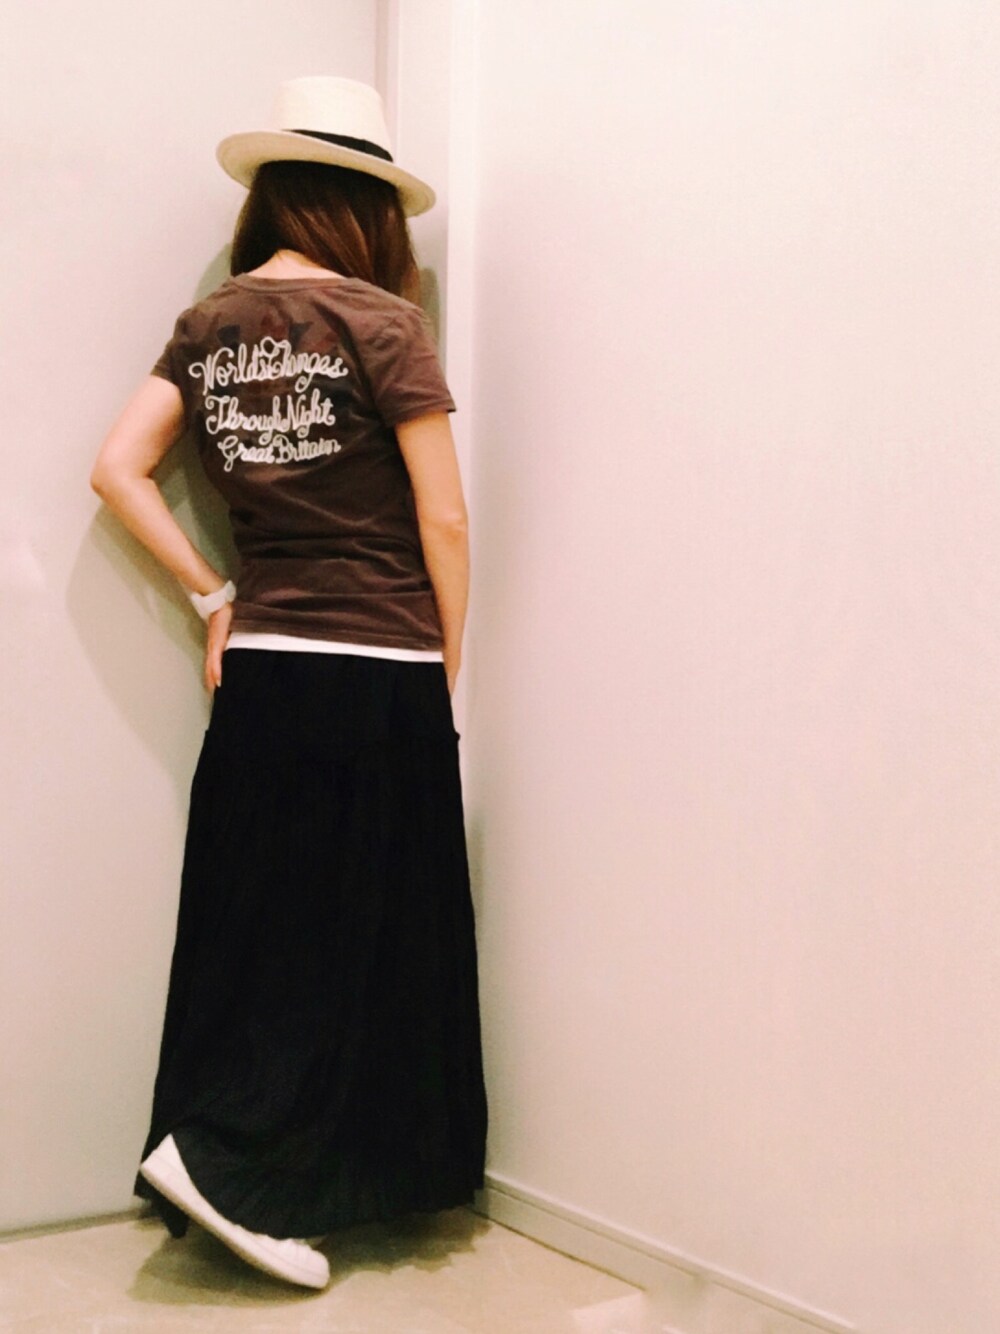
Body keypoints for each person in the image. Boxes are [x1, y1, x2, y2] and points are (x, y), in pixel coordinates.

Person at [90, 76, 488, 1291]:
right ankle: (243, 1168)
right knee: (360, 935)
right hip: (376, 663)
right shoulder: (382, 323)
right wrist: (444, 663)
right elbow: (444, 518)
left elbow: (116, 466)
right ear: (367, 209)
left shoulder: (209, 323)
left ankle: (219, 1148)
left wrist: (215, 597)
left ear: (271, 197)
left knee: (256, 925)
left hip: (262, 666)